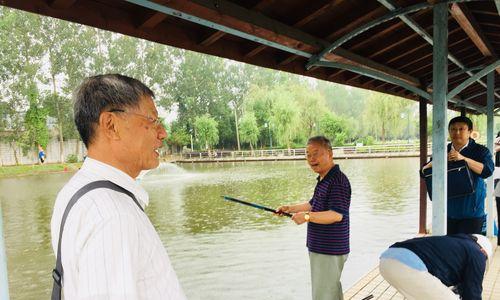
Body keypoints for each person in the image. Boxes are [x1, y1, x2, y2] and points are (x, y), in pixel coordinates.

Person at [50, 74, 186, 299]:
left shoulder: (76, 192)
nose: (162, 133)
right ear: (111, 125)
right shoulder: (113, 215)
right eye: (152, 120)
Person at [276, 136, 351, 300]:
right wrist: (290, 208)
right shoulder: (324, 179)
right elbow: (313, 204)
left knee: (323, 295)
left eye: (316, 154)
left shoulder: (337, 180)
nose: (311, 159)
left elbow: (336, 215)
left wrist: (307, 217)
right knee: (330, 292)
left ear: (330, 154)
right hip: (321, 248)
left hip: (329, 249)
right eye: (308, 155)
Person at [421, 116, 494, 234]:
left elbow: (487, 171)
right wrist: (436, 162)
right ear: (449, 132)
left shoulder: (480, 151)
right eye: (453, 129)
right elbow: (424, 173)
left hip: (471, 213)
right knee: (449, 249)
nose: (457, 132)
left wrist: (463, 159)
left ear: (470, 132)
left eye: (461, 129)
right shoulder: (442, 151)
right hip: (447, 213)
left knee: (468, 248)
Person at [379, 234, 492, 300]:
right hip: (408, 265)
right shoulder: (478, 253)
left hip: (386, 260)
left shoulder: (458, 243)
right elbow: (473, 291)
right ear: (484, 251)